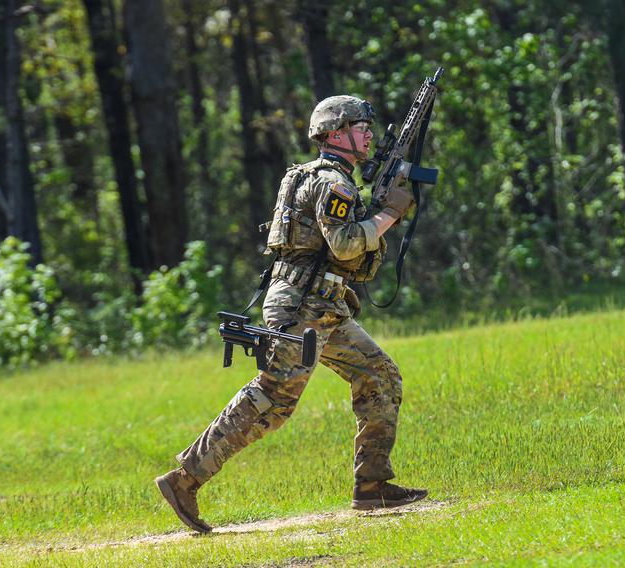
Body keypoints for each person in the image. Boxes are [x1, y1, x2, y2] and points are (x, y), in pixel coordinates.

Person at [155, 95, 426, 534]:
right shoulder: (334, 185)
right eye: (361, 126)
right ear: (336, 134)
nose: (370, 135)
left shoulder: (316, 176)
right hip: (303, 308)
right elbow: (344, 244)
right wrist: (391, 214)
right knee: (273, 400)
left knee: (379, 376)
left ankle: (372, 484)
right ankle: (184, 479)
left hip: (323, 306)